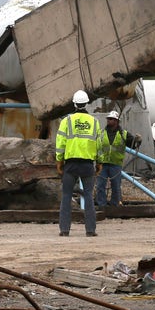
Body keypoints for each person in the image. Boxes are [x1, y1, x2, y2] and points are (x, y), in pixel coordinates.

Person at [55, 90, 103, 237]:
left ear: (74, 104)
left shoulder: (66, 121)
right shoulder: (94, 122)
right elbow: (99, 144)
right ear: (87, 103)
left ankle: (64, 230)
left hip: (70, 164)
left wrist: (59, 161)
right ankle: (90, 230)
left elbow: (60, 143)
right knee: (88, 195)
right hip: (88, 165)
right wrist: (99, 162)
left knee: (66, 196)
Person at [94, 110, 140, 207]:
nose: (108, 121)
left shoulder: (124, 134)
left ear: (116, 121)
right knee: (100, 185)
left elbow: (133, 145)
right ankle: (102, 205)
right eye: (108, 119)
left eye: (111, 119)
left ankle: (114, 205)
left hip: (116, 164)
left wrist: (137, 141)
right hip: (103, 163)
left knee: (116, 186)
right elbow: (96, 146)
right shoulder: (101, 133)